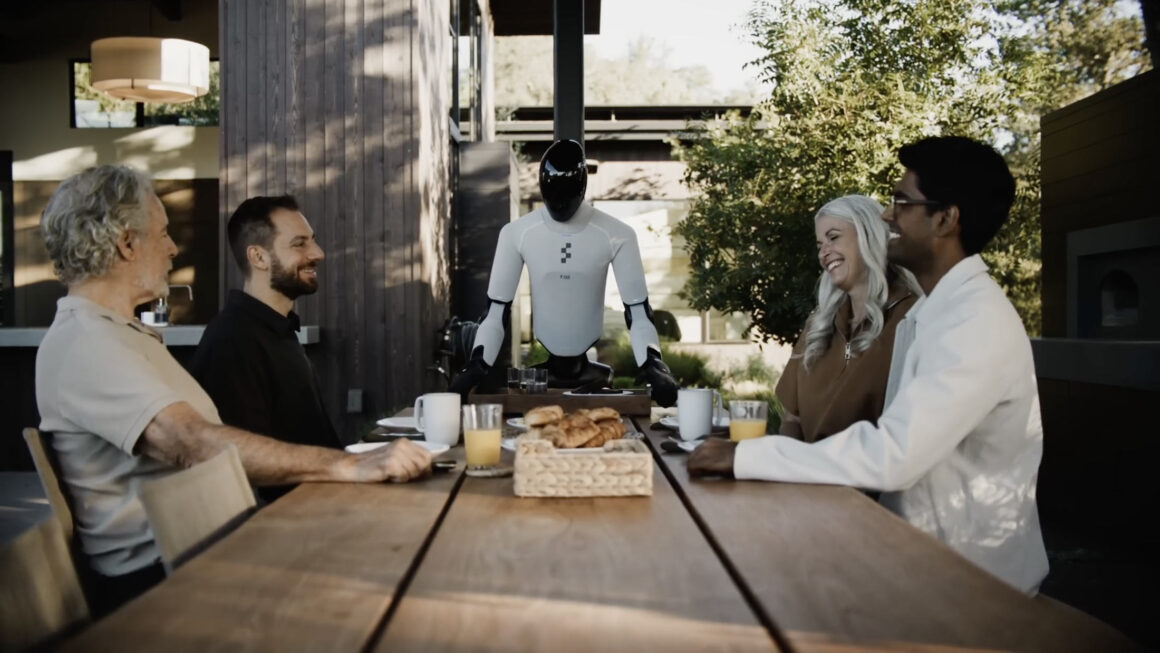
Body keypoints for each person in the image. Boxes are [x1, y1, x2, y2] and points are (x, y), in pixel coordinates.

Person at [35, 165, 432, 615]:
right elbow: (192, 443)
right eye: (163, 234)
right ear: (127, 243)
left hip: (214, 541)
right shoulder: (88, 342)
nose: (171, 248)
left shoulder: (120, 335)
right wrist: (347, 466)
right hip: (167, 578)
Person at [689, 137, 1049, 594]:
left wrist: (747, 456)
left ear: (945, 218)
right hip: (911, 562)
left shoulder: (973, 321)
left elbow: (893, 454)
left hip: (972, 585)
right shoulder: (931, 313)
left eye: (901, 201)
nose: (886, 215)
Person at [449, 139, 679, 406]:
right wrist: (476, 365)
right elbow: (496, 312)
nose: (558, 206)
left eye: (564, 199)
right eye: (552, 199)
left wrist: (654, 366)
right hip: (543, 379)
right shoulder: (517, 234)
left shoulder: (617, 234)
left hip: (593, 377)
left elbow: (638, 312)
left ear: (580, 189)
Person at [189, 195, 338, 502]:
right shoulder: (231, 342)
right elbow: (245, 465)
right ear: (258, 257)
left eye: (313, 240)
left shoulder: (277, 329)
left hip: (326, 501)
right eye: (299, 244)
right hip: (286, 526)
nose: (318, 253)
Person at [777, 195, 921, 442]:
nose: (824, 252)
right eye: (819, 245)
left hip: (867, 477)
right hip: (806, 476)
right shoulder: (818, 324)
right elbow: (792, 420)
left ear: (869, 235)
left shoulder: (912, 317)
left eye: (833, 238)